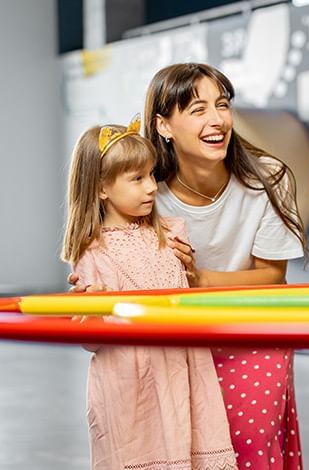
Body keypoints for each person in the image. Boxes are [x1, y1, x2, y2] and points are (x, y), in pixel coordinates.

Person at [146, 63, 309, 470]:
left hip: (251, 329)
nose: (217, 119)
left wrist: (201, 279)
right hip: (178, 340)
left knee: (251, 446)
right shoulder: (148, 190)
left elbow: (273, 278)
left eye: (223, 105)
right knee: (180, 452)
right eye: (198, 109)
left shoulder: (267, 179)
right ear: (164, 126)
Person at [61, 117, 237, 469]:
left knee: (189, 450)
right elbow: (91, 342)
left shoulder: (169, 235)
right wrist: (92, 309)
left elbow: (185, 300)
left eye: (152, 174)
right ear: (101, 188)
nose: (153, 187)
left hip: (182, 370)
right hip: (132, 382)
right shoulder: (93, 253)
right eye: (137, 178)